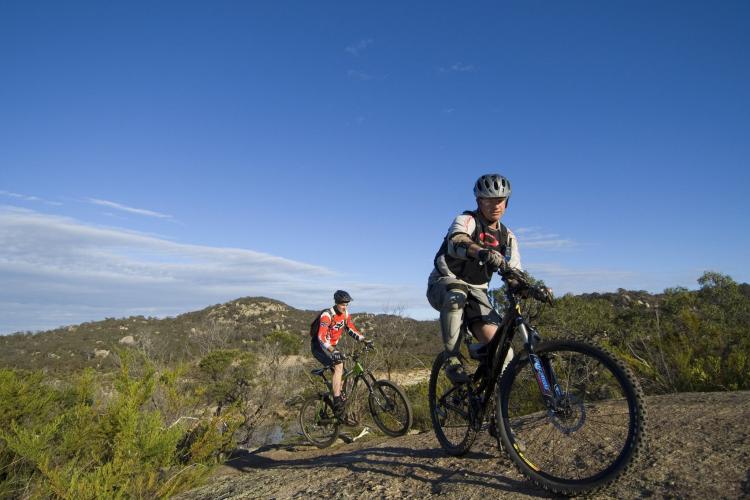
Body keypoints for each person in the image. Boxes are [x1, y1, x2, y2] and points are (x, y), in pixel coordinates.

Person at [427, 173, 523, 384]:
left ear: (507, 202)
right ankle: (451, 359)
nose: (495, 205)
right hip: (444, 282)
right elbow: (457, 239)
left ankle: (489, 400)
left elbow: (514, 271)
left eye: (500, 200)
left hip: (477, 293)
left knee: (503, 352)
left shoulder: (508, 237)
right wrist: (479, 251)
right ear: (479, 201)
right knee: (456, 296)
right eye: (488, 200)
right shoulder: (467, 220)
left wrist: (526, 285)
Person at [310, 290, 373, 419]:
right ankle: (337, 399)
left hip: (331, 346)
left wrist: (363, 340)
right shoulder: (327, 316)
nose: (345, 307)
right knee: (339, 365)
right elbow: (321, 337)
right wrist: (334, 351)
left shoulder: (345, 315)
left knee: (343, 373)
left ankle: (338, 403)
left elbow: (350, 329)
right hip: (320, 347)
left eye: (347, 304)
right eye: (343, 304)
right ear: (336, 303)